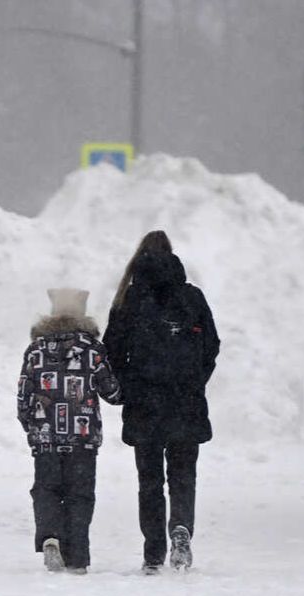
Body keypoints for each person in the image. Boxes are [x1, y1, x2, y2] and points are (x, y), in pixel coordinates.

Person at [103, 230, 220, 574]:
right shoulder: (192, 298)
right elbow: (211, 346)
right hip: (185, 401)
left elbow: (110, 350)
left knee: (150, 479)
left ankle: (154, 549)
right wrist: (195, 381)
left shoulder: (128, 299)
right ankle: (181, 529)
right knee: (183, 474)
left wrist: (125, 386)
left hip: (144, 403)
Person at [18, 288, 123, 574]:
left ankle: (50, 536)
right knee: (80, 494)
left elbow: (24, 396)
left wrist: (32, 426)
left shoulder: (36, 350)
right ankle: (77, 556)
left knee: (47, 489)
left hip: (45, 438)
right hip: (82, 437)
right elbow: (112, 392)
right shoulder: (91, 349)